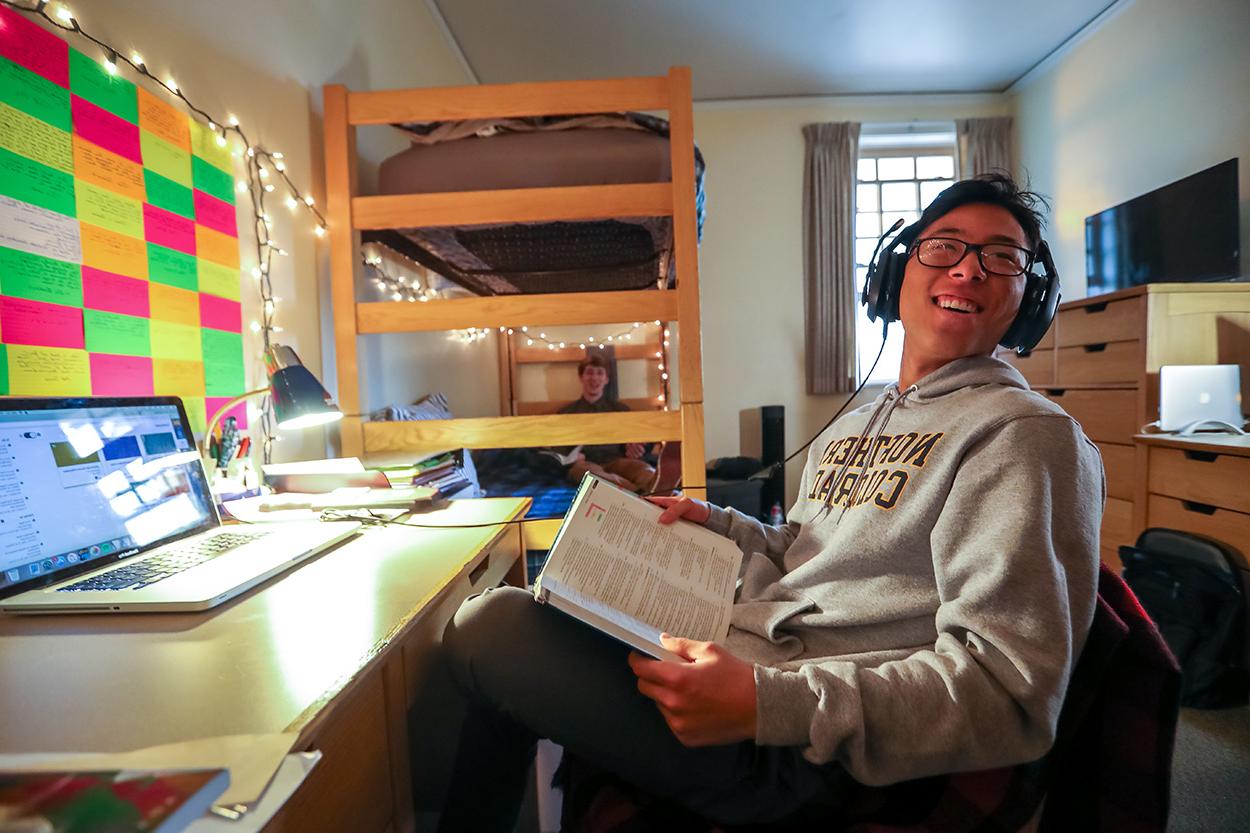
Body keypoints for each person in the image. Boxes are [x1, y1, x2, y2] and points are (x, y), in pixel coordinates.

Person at [433, 174, 1104, 831]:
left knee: (488, 625)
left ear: (1028, 297)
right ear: (895, 272)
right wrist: (719, 523)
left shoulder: (1023, 436)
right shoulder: (854, 421)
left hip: (796, 745)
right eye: (945, 246)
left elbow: (1007, 695)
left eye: (1002, 257)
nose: (968, 270)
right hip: (736, 652)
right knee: (538, 615)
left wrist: (765, 705)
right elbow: (805, 551)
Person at [557, 352, 656, 493]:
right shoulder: (567, 413)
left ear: (606, 379)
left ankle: (657, 490)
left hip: (618, 461)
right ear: (581, 377)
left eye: (600, 373)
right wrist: (570, 457)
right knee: (583, 474)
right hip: (586, 463)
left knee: (645, 470)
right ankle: (636, 492)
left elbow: (643, 439)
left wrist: (637, 445)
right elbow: (558, 451)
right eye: (590, 373)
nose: (594, 378)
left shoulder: (620, 409)